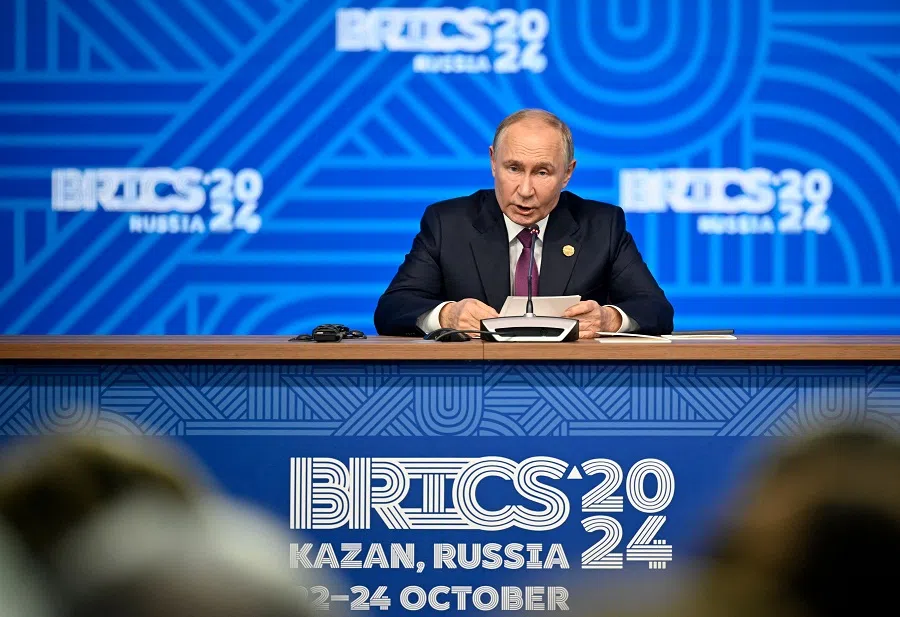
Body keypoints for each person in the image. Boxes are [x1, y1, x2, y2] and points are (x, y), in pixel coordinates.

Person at [374, 108, 673, 338]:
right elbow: (392, 309)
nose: (526, 190)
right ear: (493, 161)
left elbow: (656, 310)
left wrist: (609, 319)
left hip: (573, 383)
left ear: (567, 173)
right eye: (514, 169)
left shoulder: (602, 226)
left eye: (542, 172)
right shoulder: (447, 224)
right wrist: (447, 315)